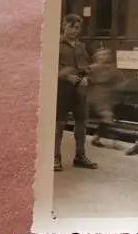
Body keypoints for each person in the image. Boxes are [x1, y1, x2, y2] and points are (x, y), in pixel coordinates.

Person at [54, 13, 97, 172]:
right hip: (62, 89)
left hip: (79, 89)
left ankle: (80, 156)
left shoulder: (80, 46)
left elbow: (85, 66)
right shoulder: (56, 43)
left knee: (81, 122)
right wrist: (67, 76)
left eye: (77, 28)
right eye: (70, 27)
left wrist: (85, 77)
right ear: (63, 25)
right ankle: (55, 157)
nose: (74, 31)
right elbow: (52, 66)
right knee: (59, 123)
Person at [87, 46, 126, 148]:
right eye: (103, 55)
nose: (106, 56)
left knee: (107, 118)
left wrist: (119, 86)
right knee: (107, 117)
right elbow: (84, 79)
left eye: (107, 54)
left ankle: (97, 138)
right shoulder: (92, 68)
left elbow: (121, 80)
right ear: (97, 57)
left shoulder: (111, 69)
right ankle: (113, 141)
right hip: (96, 96)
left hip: (107, 97)